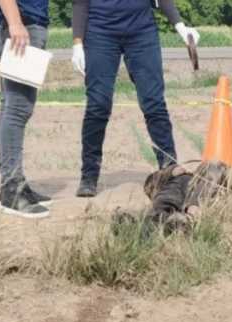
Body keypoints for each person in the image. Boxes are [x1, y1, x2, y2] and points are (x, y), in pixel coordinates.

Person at [71, 0, 201, 198]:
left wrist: (180, 25)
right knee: (98, 105)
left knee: (154, 102)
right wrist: (77, 43)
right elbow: (80, 3)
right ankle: (89, 175)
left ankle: (169, 169)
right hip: (99, 32)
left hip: (142, 32)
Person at [0, 0, 53, 218]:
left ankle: (13, 183)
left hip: (19, 24)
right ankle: (12, 189)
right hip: (18, 27)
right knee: (18, 108)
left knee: (10, 106)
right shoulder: (17, 24)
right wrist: (15, 23)